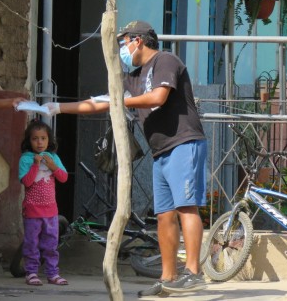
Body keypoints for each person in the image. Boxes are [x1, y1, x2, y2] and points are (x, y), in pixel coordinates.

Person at [41, 21, 207, 297]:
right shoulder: (133, 78)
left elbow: (159, 96)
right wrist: (58, 107)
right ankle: (169, 277)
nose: (122, 49)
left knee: (186, 206)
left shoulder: (165, 60)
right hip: (161, 151)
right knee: (164, 215)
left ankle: (193, 272)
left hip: (183, 142)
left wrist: (120, 101)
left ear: (139, 40)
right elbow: (101, 101)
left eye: (124, 42)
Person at [18, 120, 69, 286]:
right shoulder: (26, 159)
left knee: (51, 245)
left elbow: (63, 178)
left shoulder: (53, 157)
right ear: (29, 141)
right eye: (35, 139)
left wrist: (53, 166)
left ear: (49, 140)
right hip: (32, 211)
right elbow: (27, 182)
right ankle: (31, 273)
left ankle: (52, 273)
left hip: (51, 212)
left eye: (43, 138)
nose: (39, 142)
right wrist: (35, 165)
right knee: (32, 244)